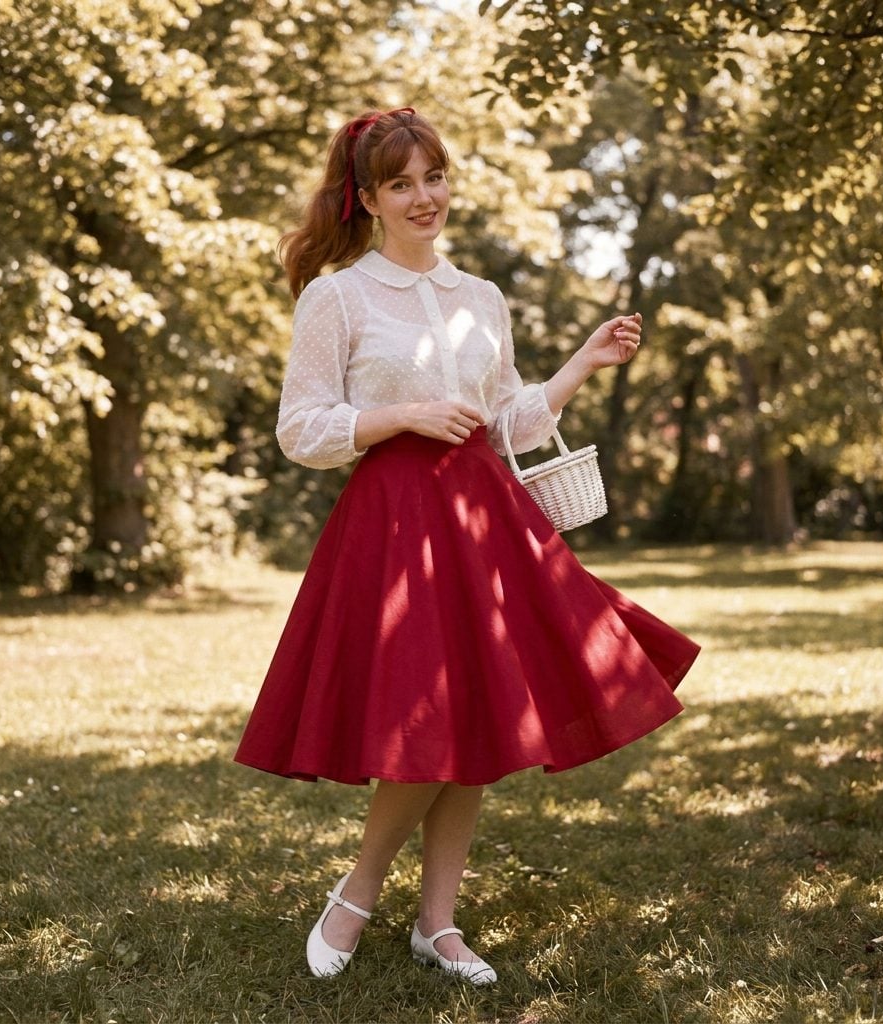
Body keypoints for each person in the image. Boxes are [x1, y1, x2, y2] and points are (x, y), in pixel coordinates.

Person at [234, 108, 699, 985]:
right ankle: (358, 892)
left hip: (487, 518)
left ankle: (437, 925)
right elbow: (301, 428)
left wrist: (582, 366)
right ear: (367, 199)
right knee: (427, 716)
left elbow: (509, 419)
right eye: (401, 183)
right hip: (398, 524)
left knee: (476, 715)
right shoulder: (337, 297)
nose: (424, 197)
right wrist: (401, 415)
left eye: (434, 177)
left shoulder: (480, 298)